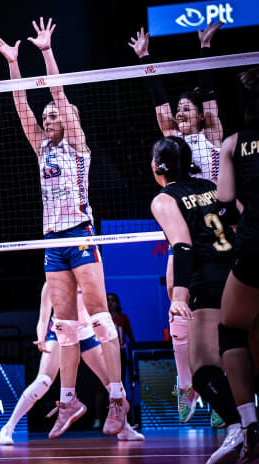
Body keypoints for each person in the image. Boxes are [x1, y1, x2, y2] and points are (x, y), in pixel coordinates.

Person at [0, 18, 128, 439]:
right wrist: (14, 63)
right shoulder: (41, 149)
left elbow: (59, 95)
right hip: (52, 241)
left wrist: (47, 53)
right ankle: (69, 399)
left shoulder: (77, 147)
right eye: (46, 116)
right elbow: (21, 104)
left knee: (100, 319)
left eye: (53, 115)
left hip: (80, 233)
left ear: (68, 121)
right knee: (65, 327)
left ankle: (118, 397)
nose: (47, 118)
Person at [129, 22, 224, 423]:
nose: (181, 113)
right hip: (185, 233)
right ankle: (186, 385)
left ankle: (222, 392)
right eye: (179, 109)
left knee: (219, 316)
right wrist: (145, 59)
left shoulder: (213, 135)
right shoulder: (173, 143)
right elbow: (160, 106)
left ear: (201, 115)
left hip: (217, 232)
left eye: (188, 109)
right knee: (176, 303)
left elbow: (209, 96)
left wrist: (204, 49)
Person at [150, 136, 244, 464]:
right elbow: (238, 219)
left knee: (202, 369)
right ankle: (247, 423)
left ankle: (238, 429)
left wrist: (179, 295)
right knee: (240, 353)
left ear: (157, 167)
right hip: (240, 272)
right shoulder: (209, 186)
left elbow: (183, 247)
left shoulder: (164, 199)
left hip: (209, 282)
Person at [0, 283, 144, 445]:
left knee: (113, 383)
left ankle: (124, 429)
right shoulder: (51, 283)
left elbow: (99, 313)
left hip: (86, 333)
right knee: (43, 380)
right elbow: (43, 319)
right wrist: (41, 337)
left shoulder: (88, 277)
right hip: (61, 332)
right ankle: (8, 428)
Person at [216, 65, 259, 462]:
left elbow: (225, 201)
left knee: (231, 330)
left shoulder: (233, 143)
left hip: (254, 247)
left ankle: (249, 424)